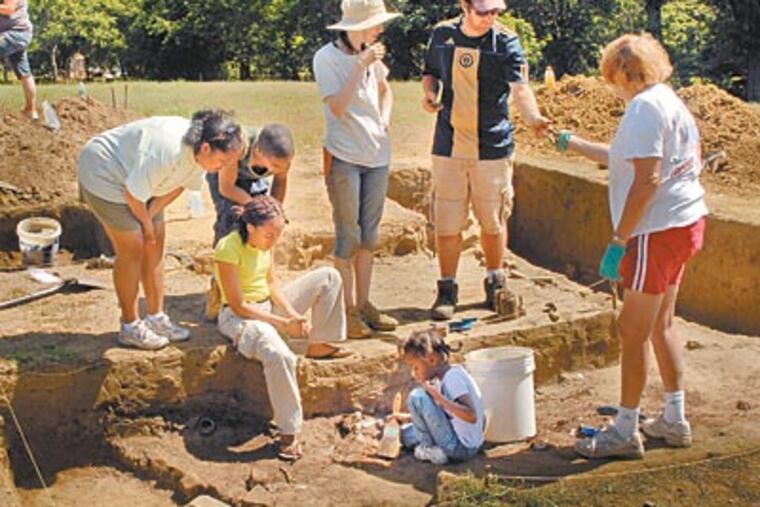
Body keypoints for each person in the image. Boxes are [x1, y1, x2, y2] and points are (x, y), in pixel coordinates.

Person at [554, 34, 708, 459]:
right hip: (684, 223)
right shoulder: (666, 100)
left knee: (632, 330)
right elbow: (630, 159)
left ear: (622, 72)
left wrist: (620, 239)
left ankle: (624, 429)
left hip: (655, 231)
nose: (612, 85)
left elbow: (647, 180)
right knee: (663, 324)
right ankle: (674, 418)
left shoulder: (642, 109)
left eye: (612, 77)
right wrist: (573, 143)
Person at [422, 0, 549, 321]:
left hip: (492, 146)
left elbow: (520, 88)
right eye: (482, 12)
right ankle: (447, 288)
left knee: (492, 220)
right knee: (448, 222)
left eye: (495, 12)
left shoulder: (505, 41)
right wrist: (430, 94)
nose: (489, 18)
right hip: (449, 145)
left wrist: (533, 118)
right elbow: (431, 74)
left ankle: (495, 281)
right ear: (464, 6)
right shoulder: (442, 35)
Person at [78, 111, 245, 350]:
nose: (225, 168)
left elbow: (179, 185)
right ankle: (129, 326)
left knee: (155, 241)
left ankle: (155, 317)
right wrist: (146, 223)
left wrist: (151, 217)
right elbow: (133, 195)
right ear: (206, 148)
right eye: (223, 161)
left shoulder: (200, 155)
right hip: (104, 171)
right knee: (134, 245)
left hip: (141, 179)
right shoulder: (167, 151)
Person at [214, 196, 351, 460]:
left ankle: (320, 344)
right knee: (279, 355)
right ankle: (288, 432)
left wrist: (293, 315)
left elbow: (272, 285)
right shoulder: (227, 248)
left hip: (267, 306)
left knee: (329, 276)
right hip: (239, 317)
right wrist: (283, 325)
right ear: (250, 227)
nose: (274, 241)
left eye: (278, 234)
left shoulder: (266, 242)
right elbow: (238, 304)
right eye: (269, 235)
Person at [312, 0, 401, 339]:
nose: (379, 30)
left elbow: (384, 90)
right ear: (355, 28)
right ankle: (346, 312)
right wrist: (358, 66)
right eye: (375, 24)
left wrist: (385, 120)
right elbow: (336, 107)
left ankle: (364, 304)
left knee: (369, 236)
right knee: (348, 236)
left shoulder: (373, 57)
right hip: (344, 157)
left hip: (377, 157)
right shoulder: (327, 59)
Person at [204, 124, 295, 321]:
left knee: (262, 226)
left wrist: (273, 210)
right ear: (258, 151)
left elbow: (280, 182)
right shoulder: (236, 146)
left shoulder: (280, 157)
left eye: (283, 166)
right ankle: (219, 288)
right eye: (276, 166)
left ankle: (255, 281)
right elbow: (227, 188)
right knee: (231, 218)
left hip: (251, 177)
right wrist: (254, 206)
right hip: (225, 178)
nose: (279, 170)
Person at [390, 329, 484, 465]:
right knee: (406, 436)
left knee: (417, 396)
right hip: (466, 443)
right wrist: (407, 418)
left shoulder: (453, 379)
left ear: (432, 360)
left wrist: (436, 396)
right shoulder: (446, 376)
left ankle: (429, 449)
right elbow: (445, 413)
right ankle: (429, 445)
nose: (413, 373)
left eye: (415, 367)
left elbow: (471, 415)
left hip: (461, 448)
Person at [0, 0, 36, 119]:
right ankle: (30, 110)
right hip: (17, 34)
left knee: (24, 72)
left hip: (16, 33)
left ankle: (30, 109)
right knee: (24, 73)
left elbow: (8, 9)